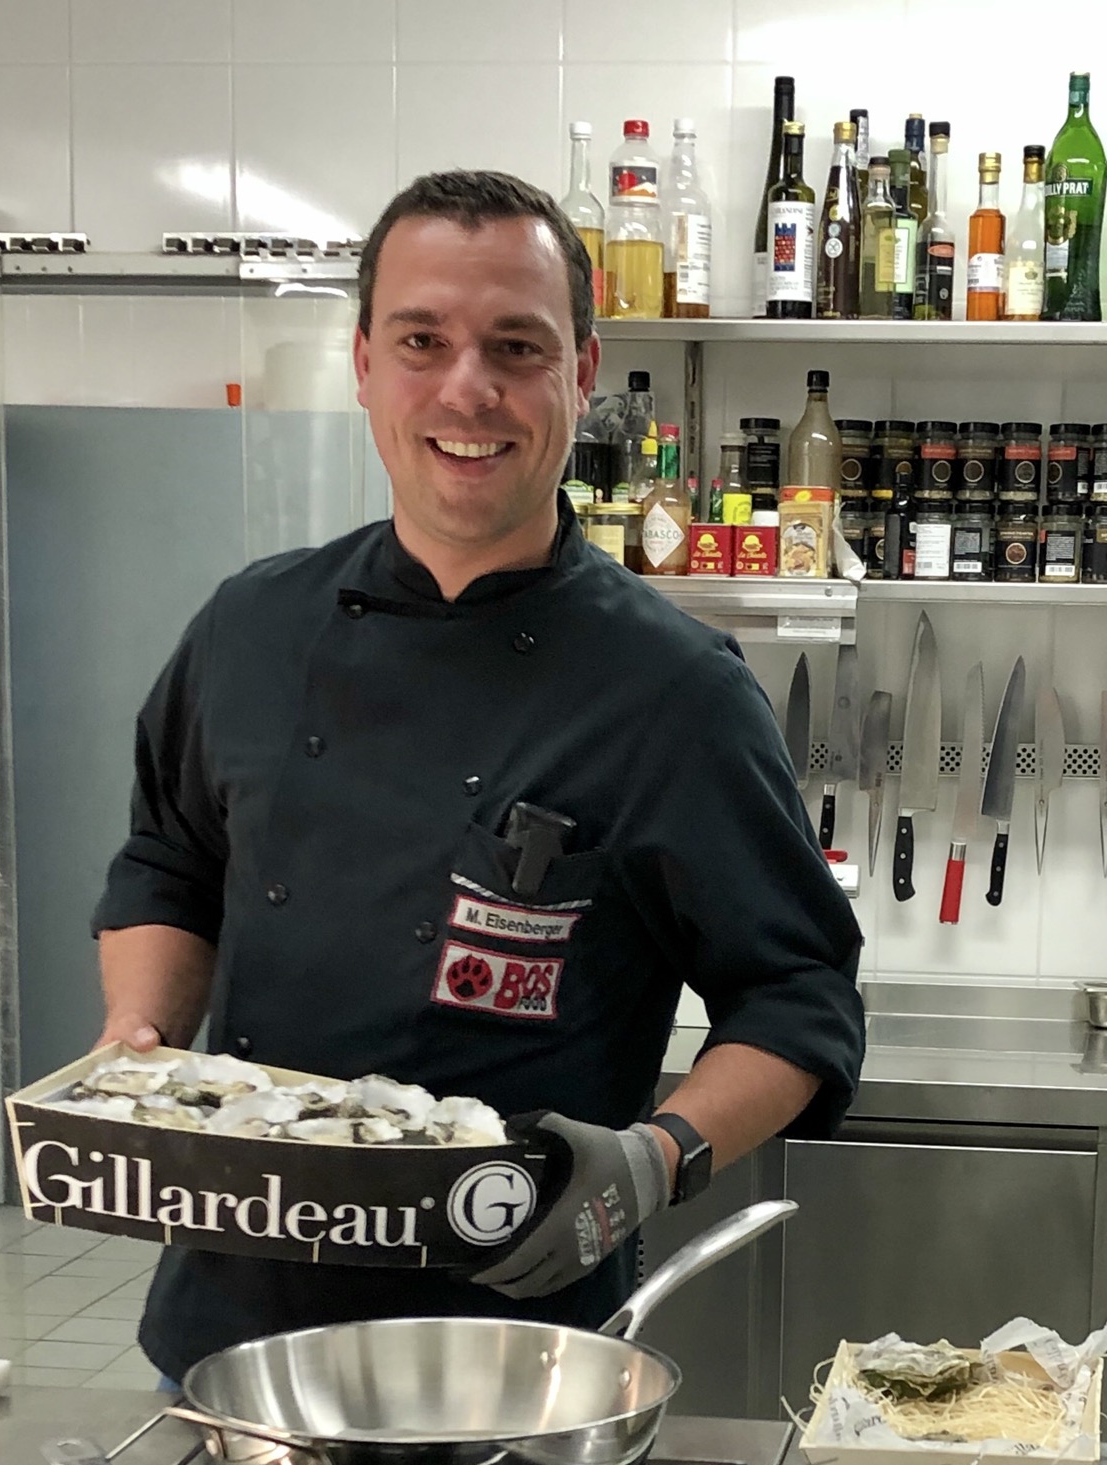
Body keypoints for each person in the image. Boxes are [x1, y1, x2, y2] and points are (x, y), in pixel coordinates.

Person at [93, 168, 864, 1382]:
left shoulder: (673, 691)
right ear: (363, 362)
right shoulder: (248, 627)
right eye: (421, 341)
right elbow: (168, 863)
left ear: (581, 370)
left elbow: (797, 995)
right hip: (230, 1331)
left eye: (516, 345)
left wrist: (654, 1158)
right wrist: (139, 1039)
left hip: (515, 1352)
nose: (467, 388)